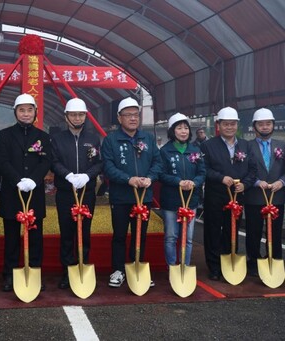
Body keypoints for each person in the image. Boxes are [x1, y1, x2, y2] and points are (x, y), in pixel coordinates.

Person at [101, 97, 162, 288]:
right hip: (121, 197)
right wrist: (128, 179)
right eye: (128, 115)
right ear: (119, 118)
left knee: (140, 234)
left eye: (136, 114)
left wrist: (150, 178)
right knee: (119, 234)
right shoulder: (111, 140)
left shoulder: (148, 139)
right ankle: (118, 270)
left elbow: (158, 163)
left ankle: (137, 267)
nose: (133, 118)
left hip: (143, 196)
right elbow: (108, 167)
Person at [0, 93, 52, 292]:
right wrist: (18, 180)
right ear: (15, 113)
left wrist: (33, 180)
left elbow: (46, 161)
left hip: (34, 193)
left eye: (30, 110)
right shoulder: (4, 135)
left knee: (35, 236)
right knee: (11, 237)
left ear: (35, 113)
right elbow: (2, 161)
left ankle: (35, 272)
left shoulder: (43, 137)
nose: (26, 114)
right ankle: (10, 275)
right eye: (22, 110)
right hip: (12, 192)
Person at [51, 98, 102, 289]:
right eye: (73, 114)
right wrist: (68, 175)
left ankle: (82, 265)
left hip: (87, 192)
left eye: (81, 114)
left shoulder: (93, 138)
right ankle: (67, 271)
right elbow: (54, 162)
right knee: (67, 232)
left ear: (85, 116)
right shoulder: (57, 139)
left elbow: (98, 162)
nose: (77, 118)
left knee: (84, 231)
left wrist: (88, 176)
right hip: (66, 192)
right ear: (66, 117)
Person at [200, 107, 256, 281]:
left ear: (237, 125)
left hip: (237, 196)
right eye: (226, 124)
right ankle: (214, 266)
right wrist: (220, 177)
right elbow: (204, 169)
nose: (230, 127)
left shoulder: (246, 145)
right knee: (213, 230)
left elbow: (253, 170)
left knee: (231, 230)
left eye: (233, 124)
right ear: (219, 125)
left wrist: (245, 185)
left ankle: (228, 262)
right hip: (215, 195)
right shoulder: (208, 145)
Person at [159, 113, 205, 267]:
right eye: (179, 128)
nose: (183, 131)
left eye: (186, 128)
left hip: (190, 200)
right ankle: (172, 266)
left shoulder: (195, 150)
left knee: (188, 238)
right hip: (171, 201)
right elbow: (161, 174)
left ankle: (185, 266)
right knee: (171, 236)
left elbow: (202, 172)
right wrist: (178, 182)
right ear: (173, 131)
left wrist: (194, 182)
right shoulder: (165, 151)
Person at [245, 108, 285, 277]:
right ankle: (253, 262)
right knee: (253, 231)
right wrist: (255, 182)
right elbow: (242, 169)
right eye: (261, 124)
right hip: (255, 196)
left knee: (275, 232)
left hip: (277, 196)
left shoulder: (282, 145)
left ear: (273, 125)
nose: (265, 127)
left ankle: (275, 260)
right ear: (255, 127)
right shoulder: (246, 146)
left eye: (268, 124)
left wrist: (281, 182)